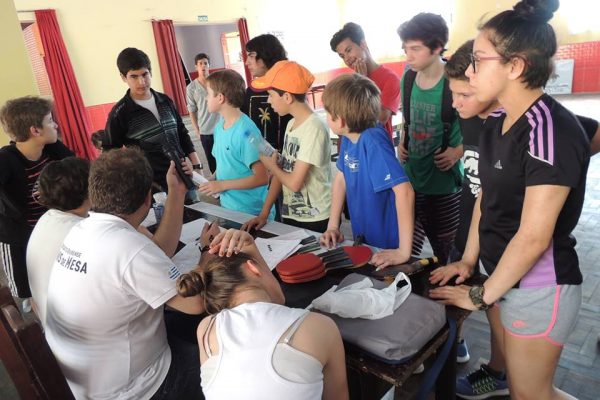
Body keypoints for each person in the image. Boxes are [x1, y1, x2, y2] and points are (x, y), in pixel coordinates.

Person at [430, 2, 589, 400]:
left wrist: (479, 295)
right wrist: (468, 261)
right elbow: (485, 199)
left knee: (531, 394)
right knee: (524, 391)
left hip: (538, 287)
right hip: (503, 276)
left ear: (515, 66)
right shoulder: (499, 123)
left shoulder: (548, 130)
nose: (469, 71)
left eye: (478, 61)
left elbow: (534, 238)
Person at [44, 147, 218, 399]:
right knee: (223, 361)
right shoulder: (127, 246)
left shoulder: (82, 229)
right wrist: (206, 253)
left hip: (88, 379)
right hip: (137, 388)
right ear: (148, 199)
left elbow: (157, 252)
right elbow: (194, 302)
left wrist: (176, 192)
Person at [177, 228, 349, 400]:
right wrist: (252, 248)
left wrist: (250, 248)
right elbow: (278, 299)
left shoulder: (206, 329)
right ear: (253, 267)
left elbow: (276, 302)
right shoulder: (319, 326)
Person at [319, 74, 414, 269]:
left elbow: (405, 191)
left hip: (386, 242)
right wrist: (333, 225)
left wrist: (403, 251)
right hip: (365, 235)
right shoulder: (348, 136)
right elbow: (341, 178)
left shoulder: (373, 141)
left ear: (340, 120)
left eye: (327, 112)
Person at [397, 13, 464, 265]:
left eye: (415, 49)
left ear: (437, 47)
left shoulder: (455, 83)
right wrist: (402, 142)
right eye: (405, 49)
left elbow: (478, 128)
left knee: (448, 252)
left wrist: (457, 151)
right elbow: (408, 118)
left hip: (443, 185)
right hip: (412, 180)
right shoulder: (408, 79)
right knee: (406, 252)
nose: (408, 56)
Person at [241, 61, 332, 233]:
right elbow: (282, 172)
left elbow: (294, 183)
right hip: (292, 214)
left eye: (271, 95)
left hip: (315, 218)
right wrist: (264, 214)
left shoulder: (314, 128)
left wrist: (271, 166)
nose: (269, 101)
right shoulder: (291, 124)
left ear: (288, 97)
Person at [0, 96, 73, 305]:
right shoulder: (6, 159)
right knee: (28, 291)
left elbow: (78, 169)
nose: (55, 125)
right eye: (50, 120)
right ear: (35, 130)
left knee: (58, 277)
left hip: (52, 229)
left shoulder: (52, 148)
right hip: (18, 236)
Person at [104, 47, 202, 191]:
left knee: (196, 206)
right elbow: (109, 151)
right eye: (134, 77)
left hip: (183, 177)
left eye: (145, 74)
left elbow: (182, 133)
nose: (142, 82)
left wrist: (197, 165)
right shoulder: (120, 113)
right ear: (123, 77)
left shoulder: (165, 101)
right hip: (153, 187)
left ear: (151, 72)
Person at [198, 69, 273, 218]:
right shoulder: (219, 126)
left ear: (220, 98)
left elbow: (262, 177)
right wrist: (212, 179)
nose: (206, 98)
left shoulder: (247, 131)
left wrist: (222, 185)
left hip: (252, 213)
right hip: (229, 208)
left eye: (208, 94)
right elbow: (225, 163)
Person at [26, 157, 90, 327]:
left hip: (53, 326)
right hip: (76, 333)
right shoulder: (82, 232)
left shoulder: (47, 218)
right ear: (89, 190)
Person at [330, 22, 401, 140]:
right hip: (352, 145)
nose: (347, 59)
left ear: (363, 44)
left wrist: (363, 83)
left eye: (349, 50)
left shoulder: (390, 79)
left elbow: (381, 119)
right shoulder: (349, 81)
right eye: (342, 56)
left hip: (377, 145)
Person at [242, 34, 292, 152]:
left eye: (251, 56)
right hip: (259, 158)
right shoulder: (250, 91)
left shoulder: (291, 88)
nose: (246, 62)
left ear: (266, 55)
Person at [186, 52, 220, 174]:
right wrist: (197, 130)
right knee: (212, 163)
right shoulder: (191, 88)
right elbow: (192, 110)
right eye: (200, 63)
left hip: (221, 127)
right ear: (196, 67)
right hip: (205, 130)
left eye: (205, 63)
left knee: (226, 158)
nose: (203, 66)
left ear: (209, 65)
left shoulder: (217, 83)